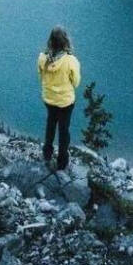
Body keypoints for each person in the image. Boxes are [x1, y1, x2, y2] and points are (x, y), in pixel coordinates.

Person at [37, 25, 81, 171]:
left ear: (50, 41)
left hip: (49, 99)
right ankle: (62, 162)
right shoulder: (70, 60)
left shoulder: (42, 58)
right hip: (65, 102)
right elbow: (76, 82)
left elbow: (41, 77)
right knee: (64, 130)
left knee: (50, 124)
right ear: (65, 41)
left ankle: (47, 155)